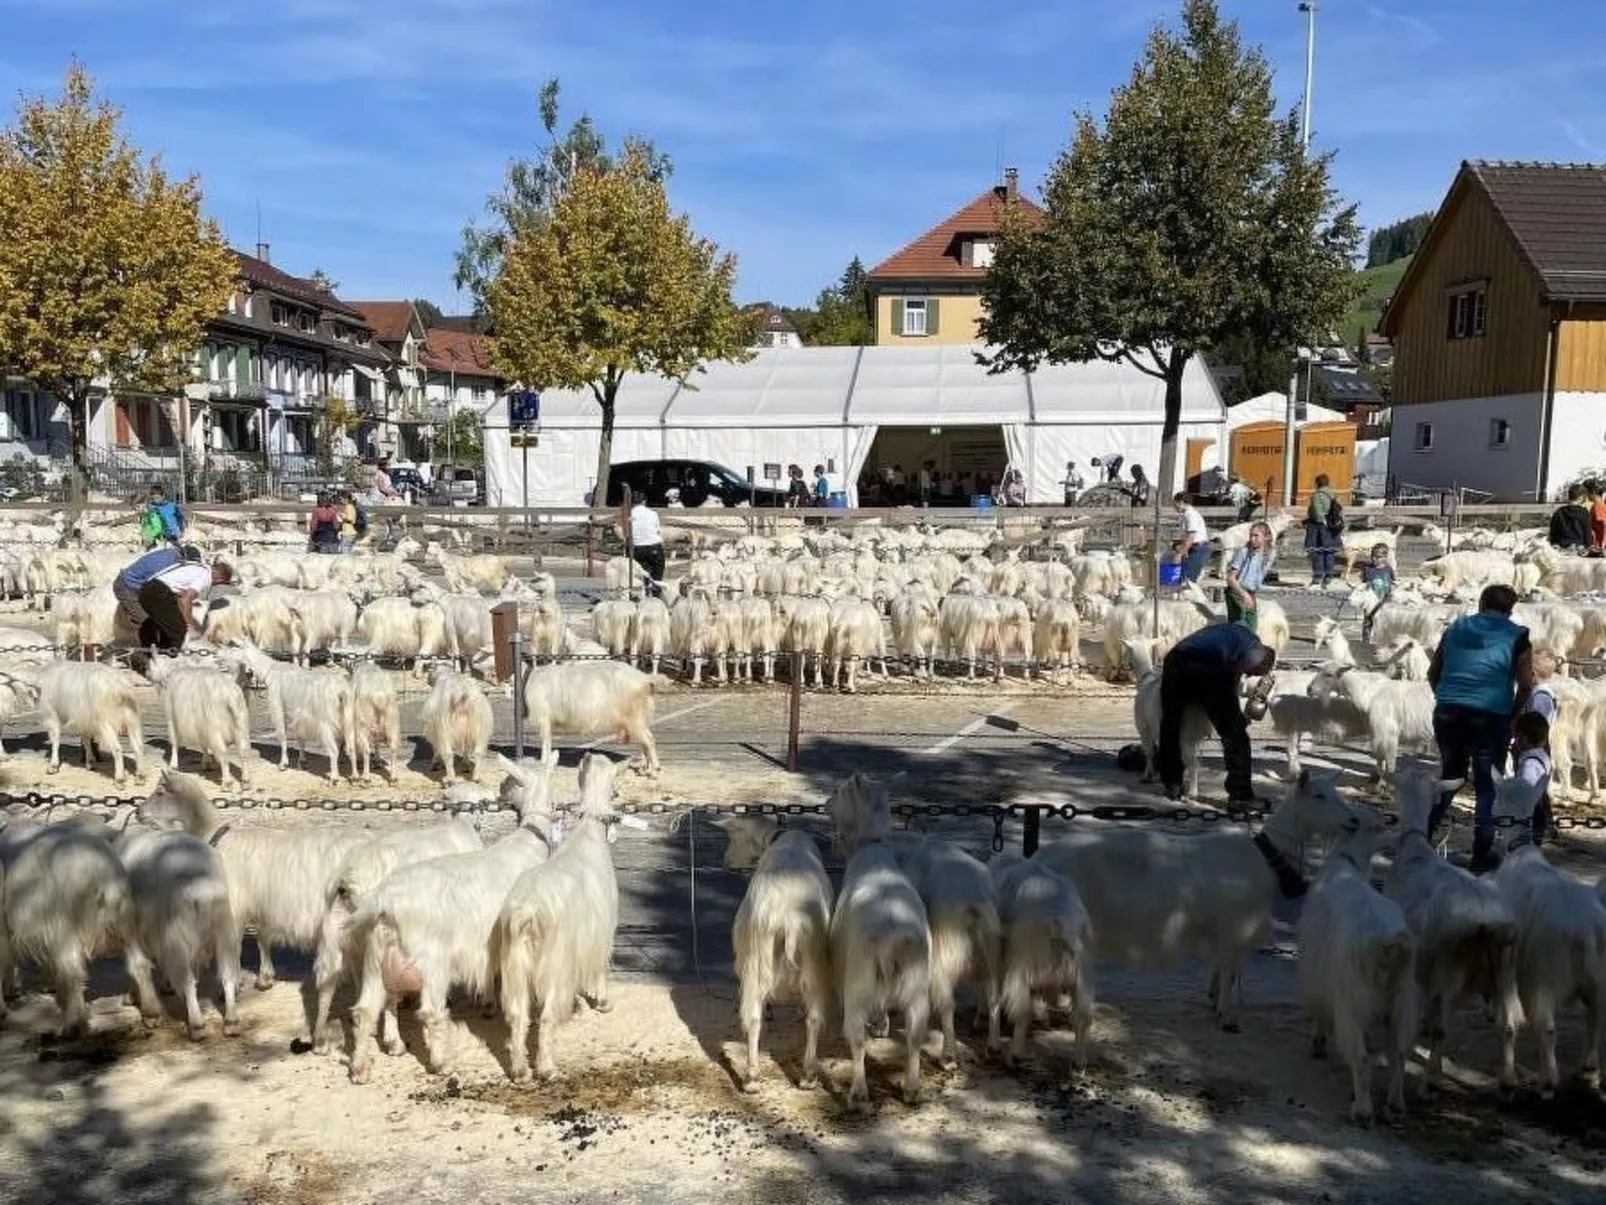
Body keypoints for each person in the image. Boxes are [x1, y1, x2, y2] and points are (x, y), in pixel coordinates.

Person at [1428, 583, 1534, 873]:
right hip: (1491, 715)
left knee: (1451, 776)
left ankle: (1421, 838)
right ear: (1511, 609)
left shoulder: (1455, 628)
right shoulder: (1518, 636)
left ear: (1481, 602)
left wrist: (1445, 697)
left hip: (1449, 712)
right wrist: (1512, 716)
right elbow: (1526, 684)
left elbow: (1433, 671)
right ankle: (1481, 853)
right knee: (1487, 786)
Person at [1157, 623, 1277, 805]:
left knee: (1171, 725)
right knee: (1235, 737)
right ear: (1263, 659)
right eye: (1253, 672)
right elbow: (1231, 679)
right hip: (1208, 666)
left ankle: (1172, 783)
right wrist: (1238, 721)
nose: (1250, 674)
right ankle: (1240, 795)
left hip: (1176, 659)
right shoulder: (1254, 651)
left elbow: (1233, 673)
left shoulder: (1238, 636)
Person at [138, 556, 232, 651]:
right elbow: (185, 600)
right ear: (219, 579)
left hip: (150, 589)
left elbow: (180, 596)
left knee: (164, 625)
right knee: (179, 631)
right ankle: (175, 657)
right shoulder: (205, 576)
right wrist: (189, 625)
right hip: (157, 592)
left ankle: (157, 652)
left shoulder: (199, 567)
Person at [113, 543, 199, 639]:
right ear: (183, 559)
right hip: (127, 587)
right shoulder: (163, 564)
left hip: (140, 586)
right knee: (147, 621)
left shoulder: (172, 556)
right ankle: (149, 649)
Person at [1519, 649, 1560, 846]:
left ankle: (1536, 833)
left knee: (1534, 791)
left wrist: (1523, 738)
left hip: (1536, 747)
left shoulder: (1540, 696)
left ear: (1533, 673)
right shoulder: (1540, 693)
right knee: (1540, 793)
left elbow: (1537, 724)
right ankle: (1544, 827)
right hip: (1536, 745)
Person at [1508, 712, 1554, 851]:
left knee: (1523, 849)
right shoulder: (1543, 757)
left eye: (1516, 737)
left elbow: (1525, 791)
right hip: (1538, 811)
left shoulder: (1529, 764)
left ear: (1523, 739)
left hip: (1529, 815)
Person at [1225, 522, 1272, 631]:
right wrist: (1244, 594)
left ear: (1266, 537)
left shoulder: (1269, 554)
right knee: (1240, 626)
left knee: (1251, 627)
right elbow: (1230, 578)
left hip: (1251, 592)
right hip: (1237, 591)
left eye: (1256, 536)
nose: (1252, 539)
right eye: (1251, 535)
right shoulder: (1243, 552)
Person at [621, 494, 664, 598]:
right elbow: (657, 530)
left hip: (636, 548)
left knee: (636, 573)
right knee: (657, 572)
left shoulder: (629, 515)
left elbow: (626, 533)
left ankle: (637, 595)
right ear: (644, 501)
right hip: (653, 546)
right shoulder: (653, 513)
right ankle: (656, 595)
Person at [1305, 473, 1341, 590]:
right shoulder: (1333, 493)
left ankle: (1318, 577)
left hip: (1318, 528)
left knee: (1317, 552)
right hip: (1332, 526)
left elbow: (1317, 512)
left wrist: (1321, 521)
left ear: (1317, 483)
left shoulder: (1317, 495)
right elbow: (1339, 509)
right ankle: (1328, 576)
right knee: (1329, 552)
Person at [1172, 492, 1212, 583]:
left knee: (1188, 580)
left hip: (1199, 548)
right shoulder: (1185, 515)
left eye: (1175, 503)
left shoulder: (1191, 515)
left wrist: (1179, 554)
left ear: (1181, 502)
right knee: (1184, 577)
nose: (1174, 506)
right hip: (1193, 547)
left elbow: (1190, 537)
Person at [1359, 544, 1395, 643]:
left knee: (1385, 623)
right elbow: (1363, 584)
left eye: (1378, 557)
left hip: (1385, 601)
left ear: (1385, 557)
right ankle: (1365, 643)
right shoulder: (1367, 569)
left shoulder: (1388, 569)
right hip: (1371, 602)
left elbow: (1392, 582)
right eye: (1373, 556)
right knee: (1368, 622)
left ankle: (1384, 642)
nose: (1375, 559)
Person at [1548, 484, 1593, 550]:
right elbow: (1587, 532)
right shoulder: (1583, 512)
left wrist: (1554, 543)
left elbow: (1553, 532)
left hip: (1562, 546)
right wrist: (1588, 546)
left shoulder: (1559, 512)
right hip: (1579, 547)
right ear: (1581, 497)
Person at [1590, 480, 1606, 550]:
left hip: (1598, 545)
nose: (1587, 496)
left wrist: (1602, 544)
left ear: (1593, 493)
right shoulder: (1597, 506)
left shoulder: (1598, 507)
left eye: (1588, 493)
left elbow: (1604, 525)